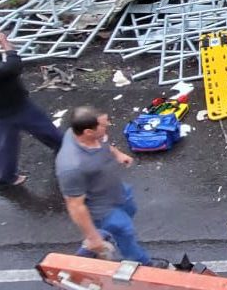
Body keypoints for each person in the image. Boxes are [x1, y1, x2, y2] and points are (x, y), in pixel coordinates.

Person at [55, 106, 168, 267]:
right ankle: (142, 263)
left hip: (118, 192)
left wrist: (117, 154)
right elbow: (75, 206)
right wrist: (93, 238)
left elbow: (103, 144)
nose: (108, 124)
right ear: (88, 132)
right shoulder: (71, 167)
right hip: (104, 210)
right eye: (104, 124)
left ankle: (98, 240)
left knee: (130, 212)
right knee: (125, 233)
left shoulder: (89, 135)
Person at [0, 18, 62, 191]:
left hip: (16, 100)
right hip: (3, 108)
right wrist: (7, 45)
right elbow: (12, 68)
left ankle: (63, 149)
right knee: (5, 146)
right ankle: (3, 181)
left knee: (46, 129)